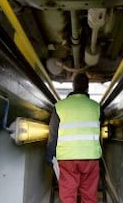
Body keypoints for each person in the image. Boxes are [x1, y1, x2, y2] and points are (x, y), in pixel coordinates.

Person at [46, 72, 102, 203]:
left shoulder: (60, 106)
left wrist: (50, 155)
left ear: (73, 86)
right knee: (89, 197)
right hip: (90, 158)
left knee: (68, 196)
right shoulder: (96, 107)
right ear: (87, 87)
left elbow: (53, 133)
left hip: (67, 158)